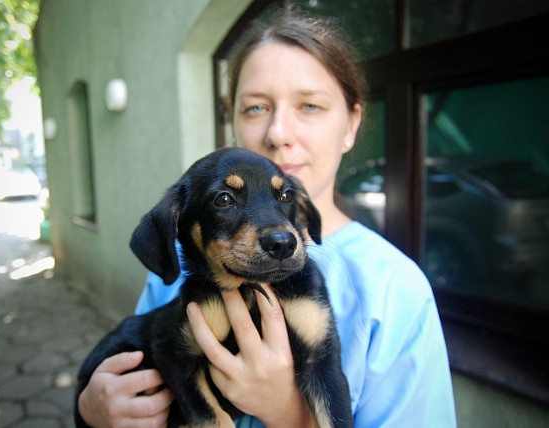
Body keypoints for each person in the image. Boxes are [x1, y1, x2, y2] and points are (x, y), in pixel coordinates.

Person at [77, 7, 456, 428]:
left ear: (351, 124)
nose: (277, 133)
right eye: (255, 108)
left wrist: (289, 415)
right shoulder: (178, 263)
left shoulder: (396, 290)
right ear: (232, 121)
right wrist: (91, 412)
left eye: (310, 105)